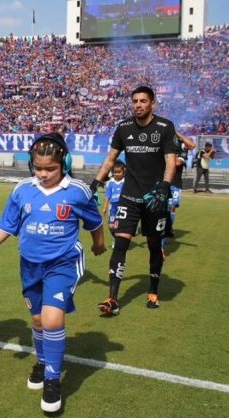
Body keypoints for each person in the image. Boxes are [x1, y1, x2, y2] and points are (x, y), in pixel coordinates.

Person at [0, 133, 106, 413]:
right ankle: (41, 360)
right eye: (38, 168)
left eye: (51, 168)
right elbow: (7, 226)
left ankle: (52, 381)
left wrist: (99, 243)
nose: (44, 173)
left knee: (51, 320)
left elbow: (94, 222)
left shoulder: (78, 191)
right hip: (30, 265)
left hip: (62, 264)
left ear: (65, 164)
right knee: (36, 319)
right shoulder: (22, 189)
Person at [88, 85, 177, 316]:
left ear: (152, 103)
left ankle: (153, 291)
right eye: (135, 101)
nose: (138, 105)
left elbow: (170, 161)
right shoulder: (124, 128)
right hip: (129, 197)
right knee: (121, 244)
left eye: (143, 101)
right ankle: (113, 299)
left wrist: (165, 187)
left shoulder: (165, 127)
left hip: (154, 199)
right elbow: (110, 159)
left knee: (154, 246)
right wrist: (96, 182)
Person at [164, 131, 196, 256]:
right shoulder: (164, 146)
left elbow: (178, 162)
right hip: (163, 182)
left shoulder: (182, 148)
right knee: (161, 209)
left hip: (175, 184)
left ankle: (168, 230)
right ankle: (164, 230)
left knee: (172, 208)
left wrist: (178, 133)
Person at [102, 160, 126, 243]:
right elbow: (107, 196)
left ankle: (121, 240)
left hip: (123, 207)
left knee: (120, 225)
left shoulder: (126, 182)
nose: (116, 174)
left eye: (119, 172)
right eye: (115, 172)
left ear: (123, 172)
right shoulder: (110, 183)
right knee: (111, 226)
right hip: (113, 207)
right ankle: (115, 238)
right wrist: (104, 208)